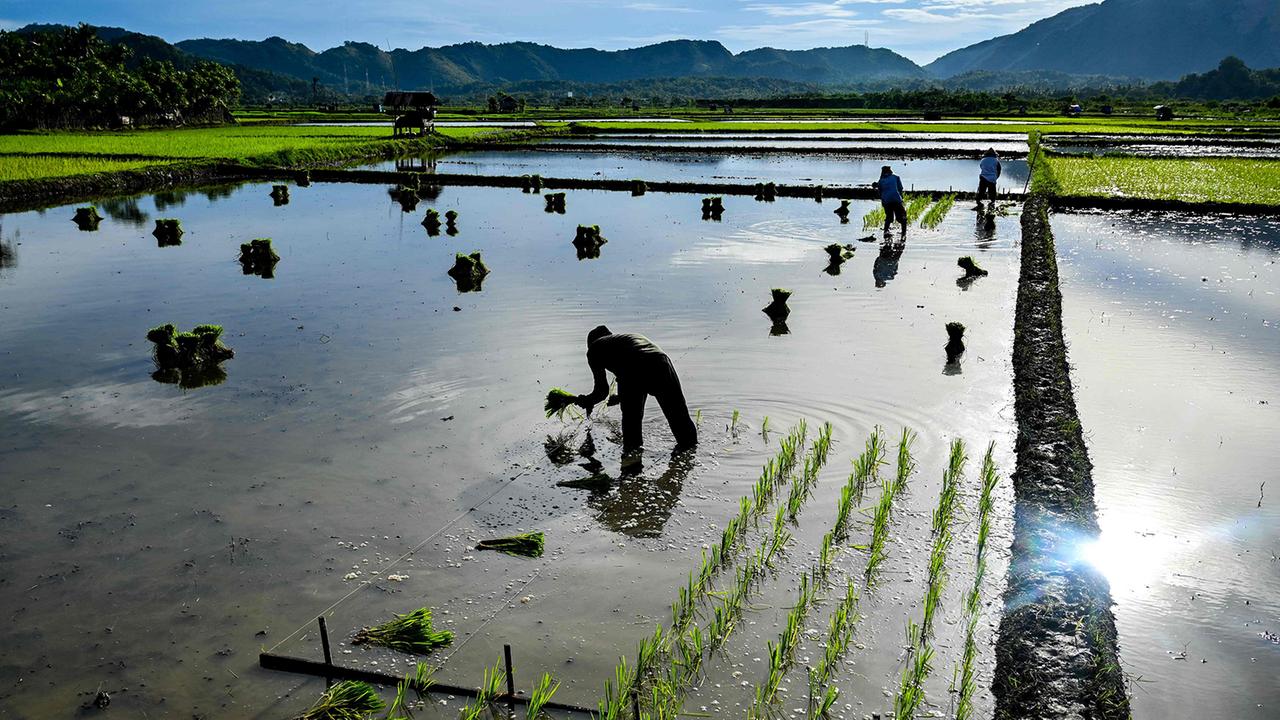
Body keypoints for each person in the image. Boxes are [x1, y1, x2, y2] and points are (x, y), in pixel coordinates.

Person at [573, 326, 697, 454]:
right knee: (679, 416)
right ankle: (691, 454)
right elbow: (637, 374)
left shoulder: (594, 348)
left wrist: (587, 401)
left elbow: (602, 391)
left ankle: (632, 465)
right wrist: (621, 397)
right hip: (661, 362)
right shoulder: (625, 339)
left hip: (634, 365)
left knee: (632, 424)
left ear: (590, 343)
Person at [872, 165, 907, 237]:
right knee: (901, 217)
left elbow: (880, 192)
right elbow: (900, 189)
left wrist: (884, 201)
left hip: (887, 201)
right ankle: (903, 233)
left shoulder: (881, 181)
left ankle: (886, 231)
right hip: (896, 199)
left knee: (889, 217)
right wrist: (900, 199)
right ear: (890, 171)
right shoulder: (896, 177)